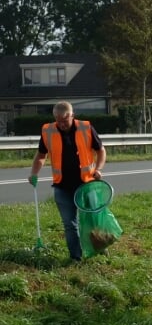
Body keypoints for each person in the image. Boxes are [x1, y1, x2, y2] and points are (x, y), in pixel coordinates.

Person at [28, 101, 107, 262]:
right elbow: (41, 155)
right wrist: (34, 172)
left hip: (86, 184)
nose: (62, 124)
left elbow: (101, 150)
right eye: (58, 120)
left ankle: (100, 249)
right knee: (70, 225)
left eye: (65, 120)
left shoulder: (86, 128)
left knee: (93, 219)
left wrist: (98, 169)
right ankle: (75, 257)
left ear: (72, 115)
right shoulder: (48, 131)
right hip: (62, 186)